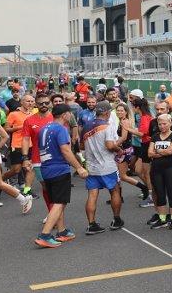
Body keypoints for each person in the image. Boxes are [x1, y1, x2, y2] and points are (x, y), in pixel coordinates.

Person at [34, 104, 87, 247]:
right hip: (58, 169)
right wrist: (79, 167)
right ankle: (45, 235)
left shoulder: (44, 128)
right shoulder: (61, 129)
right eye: (70, 114)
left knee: (57, 201)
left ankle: (62, 231)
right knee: (59, 203)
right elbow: (66, 150)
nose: (71, 116)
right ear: (65, 115)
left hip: (46, 168)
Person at [81, 102, 126, 234]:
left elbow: (81, 146)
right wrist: (119, 150)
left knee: (92, 194)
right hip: (107, 166)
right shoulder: (107, 126)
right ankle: (116, 219)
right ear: (106, 112)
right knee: (115, 191)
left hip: (91, 166)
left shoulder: (86, 126)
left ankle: (91, 224)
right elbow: (110, 145)